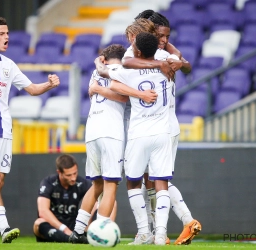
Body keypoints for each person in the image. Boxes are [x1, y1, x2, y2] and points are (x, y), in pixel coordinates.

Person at [0, 16, 60, 244]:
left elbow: (33, 89)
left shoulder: (9, 65)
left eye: (7, 33)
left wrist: (49, 84)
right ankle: (4, 227)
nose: (6, 37)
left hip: (5, 131)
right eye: (1, 34)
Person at [122, 10, 202, 245]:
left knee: (153, 181)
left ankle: (161, 227)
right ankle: (160, 229)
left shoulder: (147, 53)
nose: (165, 40)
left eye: (167, 36)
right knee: (155, 181)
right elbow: (184, 66)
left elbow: (186, 66)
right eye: (161, 35)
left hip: (160, 126)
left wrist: (172, 54)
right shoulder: (160, 57)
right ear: (149, 32)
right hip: (162, 125)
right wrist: (167, 59)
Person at [95, 32, 173, 245]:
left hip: (139, 133)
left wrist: (138, 94)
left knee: (132, 182)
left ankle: (144, 232)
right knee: (161, 183)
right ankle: (160, 234)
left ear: (137, 50)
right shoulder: (168, 65)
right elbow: (183, 62)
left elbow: (112, 84)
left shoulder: (127, 70)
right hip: (162, 132)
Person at [69, 44, 129, 244]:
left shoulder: (96, 73)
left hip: (92, 130)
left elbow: (91, 92)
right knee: (111, 185)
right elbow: (123, 97)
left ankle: (77, 232)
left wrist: (98, 88)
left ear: (104, 58)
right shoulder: (121, 71)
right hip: (110, 132)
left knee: (96, 185)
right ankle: (101, 231)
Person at [34, 154, 102, 242]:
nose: (73, 178)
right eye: (68, 175)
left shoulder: (81, 183)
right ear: (59, 172)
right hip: (54, 225)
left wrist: (87, 221)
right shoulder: (48, 182)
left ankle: (103, 234)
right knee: (38, 223)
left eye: (75, 173)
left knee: (106, 202)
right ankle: (70, 239)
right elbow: (43, 211)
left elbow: (98, 199)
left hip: (74, 225)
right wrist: (64, 229)